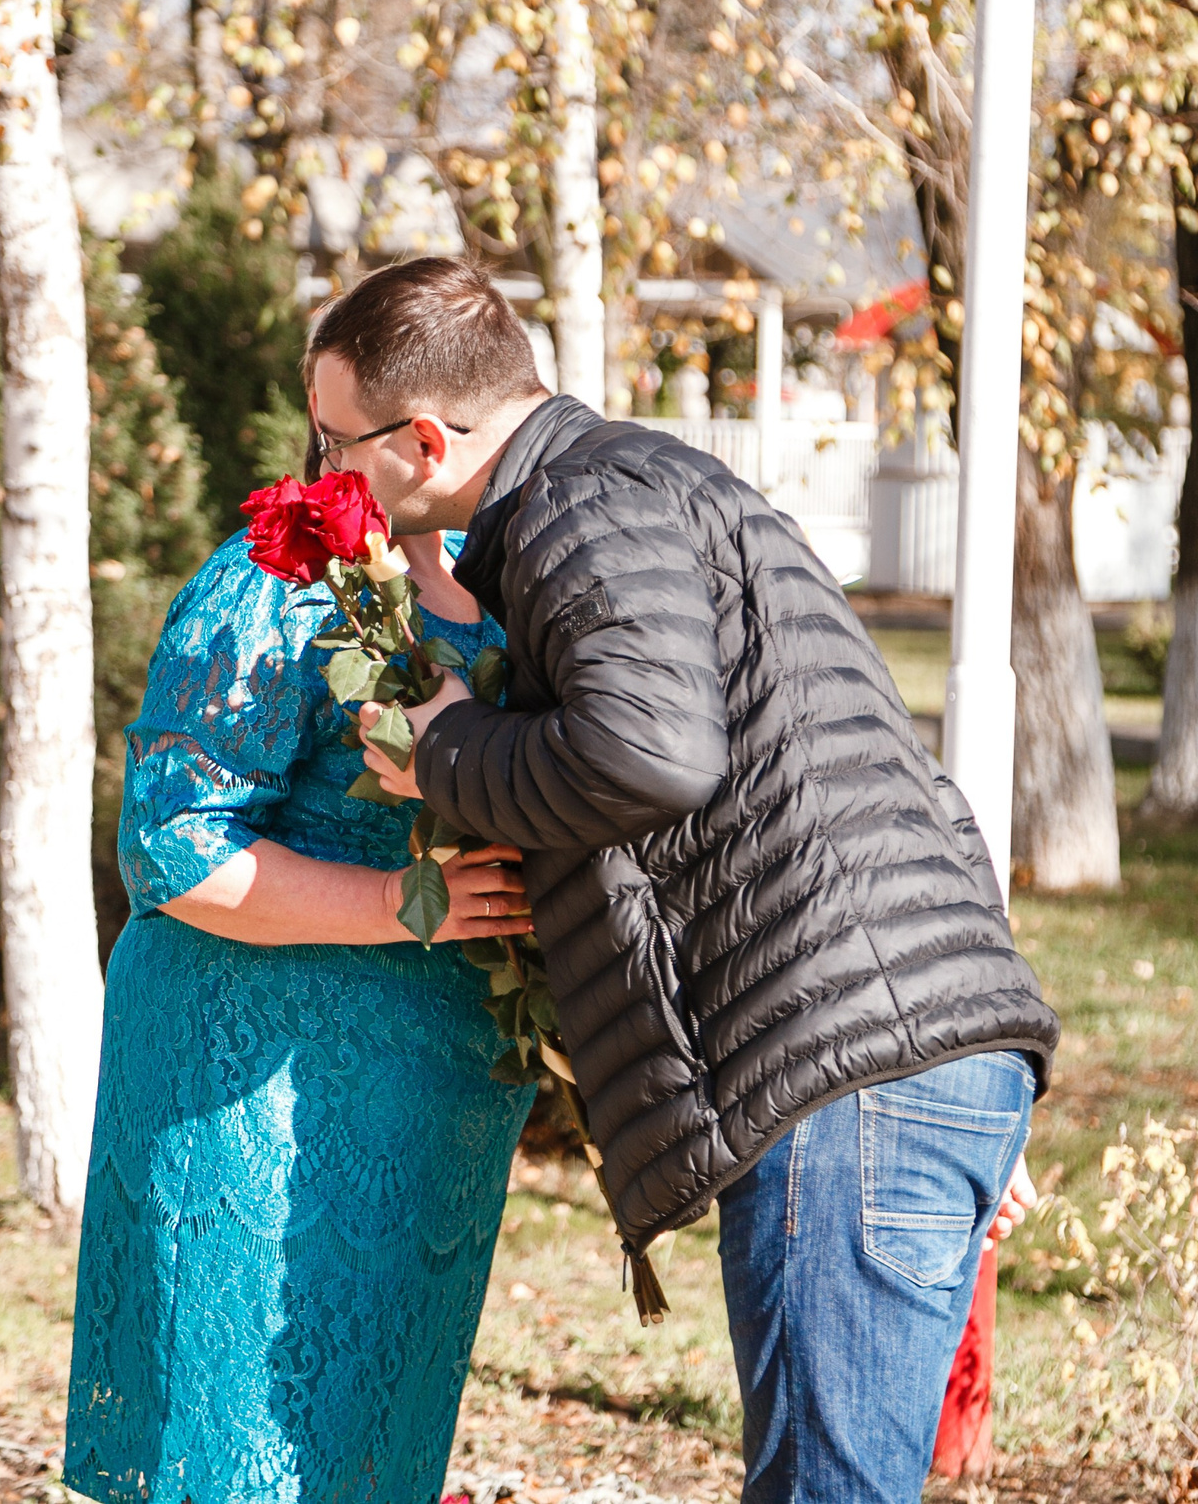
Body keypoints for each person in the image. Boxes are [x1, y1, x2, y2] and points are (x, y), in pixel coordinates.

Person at [334, 257, 1062, 1504]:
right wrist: (958, 1061)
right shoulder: (664, 484)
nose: (321, 470)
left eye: (333, 439)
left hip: (849, 1089)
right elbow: (888, 774)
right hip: (906, 1060)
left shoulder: (575, 507)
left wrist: (442, 756)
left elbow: (648, 755)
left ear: (419, 439)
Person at [62, 485, 540, 1504]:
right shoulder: (267, 583)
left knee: (375, 1446)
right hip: (244, 1084)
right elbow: (173, 846)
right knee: (234, 1452)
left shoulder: (514, 583)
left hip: (439, 1093)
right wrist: (403, 902)